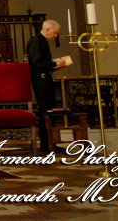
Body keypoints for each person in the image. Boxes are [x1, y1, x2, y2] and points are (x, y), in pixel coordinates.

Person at [26, 19, 67, 153]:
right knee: (46, 112)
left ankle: (50, 142)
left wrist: (55, 65)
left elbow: (44, 63)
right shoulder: (35, 42)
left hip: (45, 78)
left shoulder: (42, 41)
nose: (55, 36)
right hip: (40, 80)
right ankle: (46, 144)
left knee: (50, 110)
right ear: (48, 29)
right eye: (55, 33)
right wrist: (54, 64)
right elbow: (36, 63)